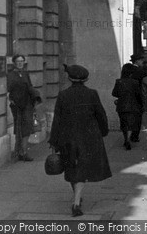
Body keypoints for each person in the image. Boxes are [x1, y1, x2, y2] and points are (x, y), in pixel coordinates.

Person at [49, 64, 111, 217]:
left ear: (69, 78)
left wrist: (53, 140)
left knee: (72, 168)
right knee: (82, 169)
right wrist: (103, 131)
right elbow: (101, 115)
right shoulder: (92, 94)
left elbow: (57, 119)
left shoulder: (63, 95)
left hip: (67, 138)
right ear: (86, 79)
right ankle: (76, 203)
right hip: (89, 138)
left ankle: (77, 197)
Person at [7, 54, 42, 162]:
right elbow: (9, 88)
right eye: (18, 61)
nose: (20, 63)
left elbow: (30, 86)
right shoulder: (11, 75)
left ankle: (24, 152)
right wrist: (11, 99)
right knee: (18, 128)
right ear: (14, 63)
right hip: (17, 105)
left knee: (27, 127)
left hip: (27, 104)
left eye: (22, 61)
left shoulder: (26, 73)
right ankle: (18, 152)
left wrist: (36, 97)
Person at [112, 63, 143, 150]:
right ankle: (128, 140)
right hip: (133, 105)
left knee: (124, 123)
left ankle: (126, 138)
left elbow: (114, 93)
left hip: (121, 105)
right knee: (130, 124)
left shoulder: (119, 81)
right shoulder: (135, 82)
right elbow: (138, 94)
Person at [128, 53, 147, 142]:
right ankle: (134, 136)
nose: (142, 62)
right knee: (138, 117)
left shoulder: (127, 69)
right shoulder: (140, 71)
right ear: (137, 61)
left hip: (128, 96)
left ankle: (129, 135)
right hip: (138, 96)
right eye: (141, 60)